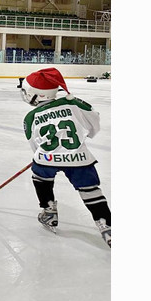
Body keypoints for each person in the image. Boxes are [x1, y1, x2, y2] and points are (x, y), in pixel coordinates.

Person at [20, 67, 111, 248]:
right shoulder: (74, 103)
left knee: (40, 177)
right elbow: (94, 120)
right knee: (90, 190)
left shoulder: (30, 117)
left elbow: (34, 144)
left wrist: (42, 156)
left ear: (35, 95)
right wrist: (87, 135)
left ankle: (49, 211)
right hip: (79, 157)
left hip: (47, 158)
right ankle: (107, 226)